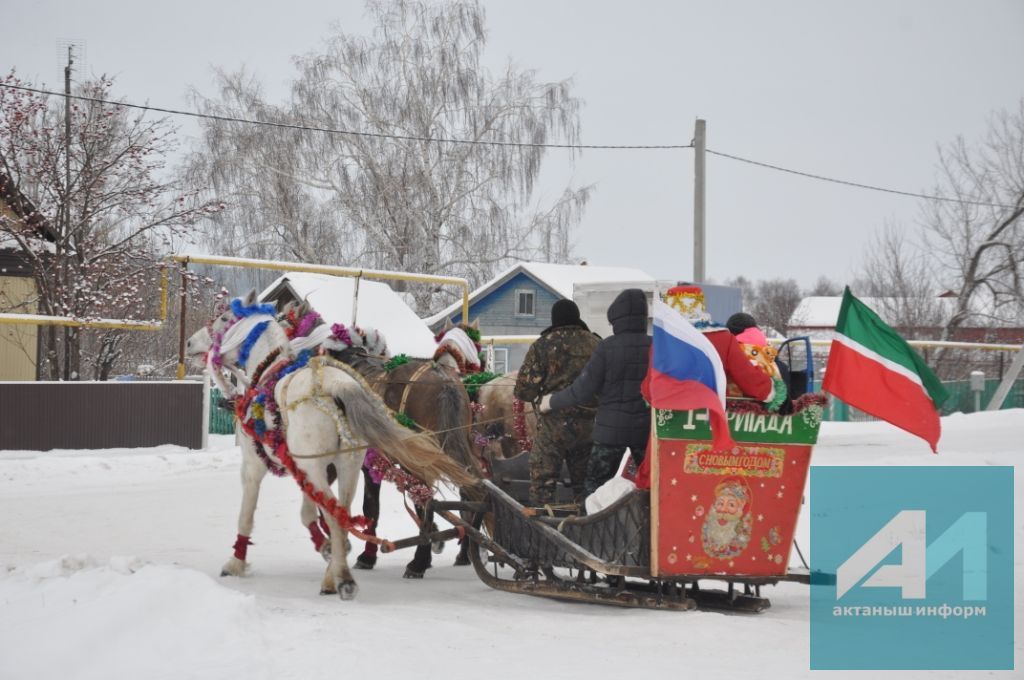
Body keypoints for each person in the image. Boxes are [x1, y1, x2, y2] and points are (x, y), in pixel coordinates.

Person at [539, 288, 651, 497]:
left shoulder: (608, 348)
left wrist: (551, 401)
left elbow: (582, 391)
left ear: (617, 318)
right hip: (645, 432)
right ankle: (647, 524)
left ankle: (591, 527)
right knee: (653, 485)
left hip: (610, 432)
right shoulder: (656, 346)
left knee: (594, 488)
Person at [514, 299, 600, 505]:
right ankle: (586, 528)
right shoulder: (596, 344)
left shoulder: (543, 345)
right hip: (589, 427)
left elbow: (524, 391)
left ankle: (545, 528)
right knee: (587, 487)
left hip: (553, 428)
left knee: (542, 484)